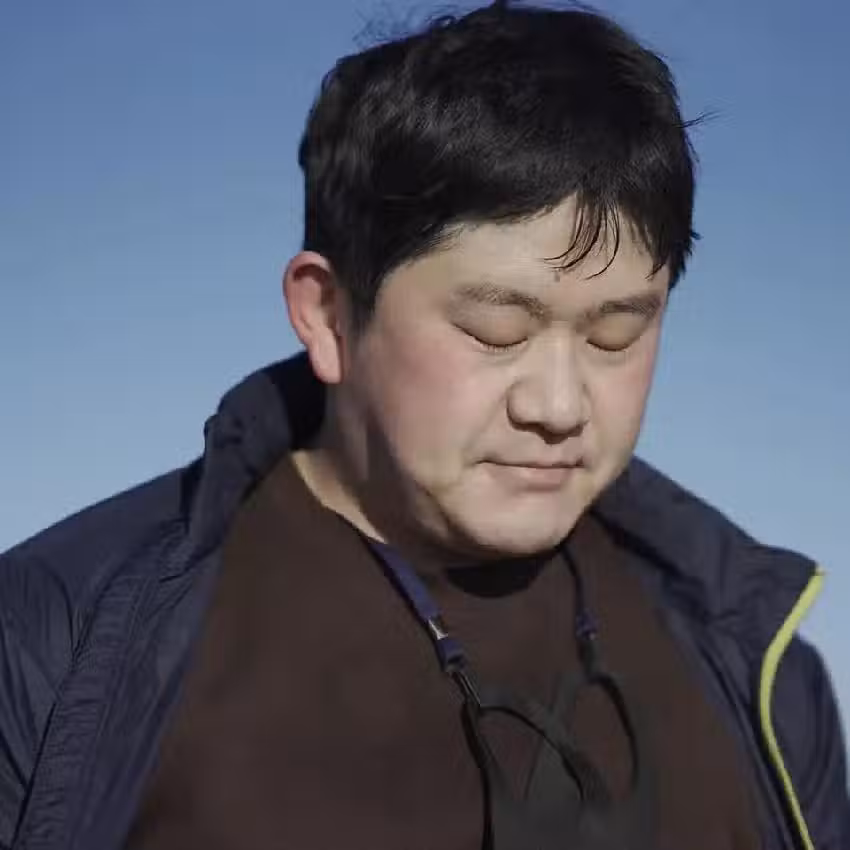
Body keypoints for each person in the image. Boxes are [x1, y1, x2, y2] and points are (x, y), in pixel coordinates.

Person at [1, 2, 847, 848]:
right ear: (328, 313)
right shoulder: (51, 637)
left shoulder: (755, 666)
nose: (559, 406)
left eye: (615, 335)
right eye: (496, 332)